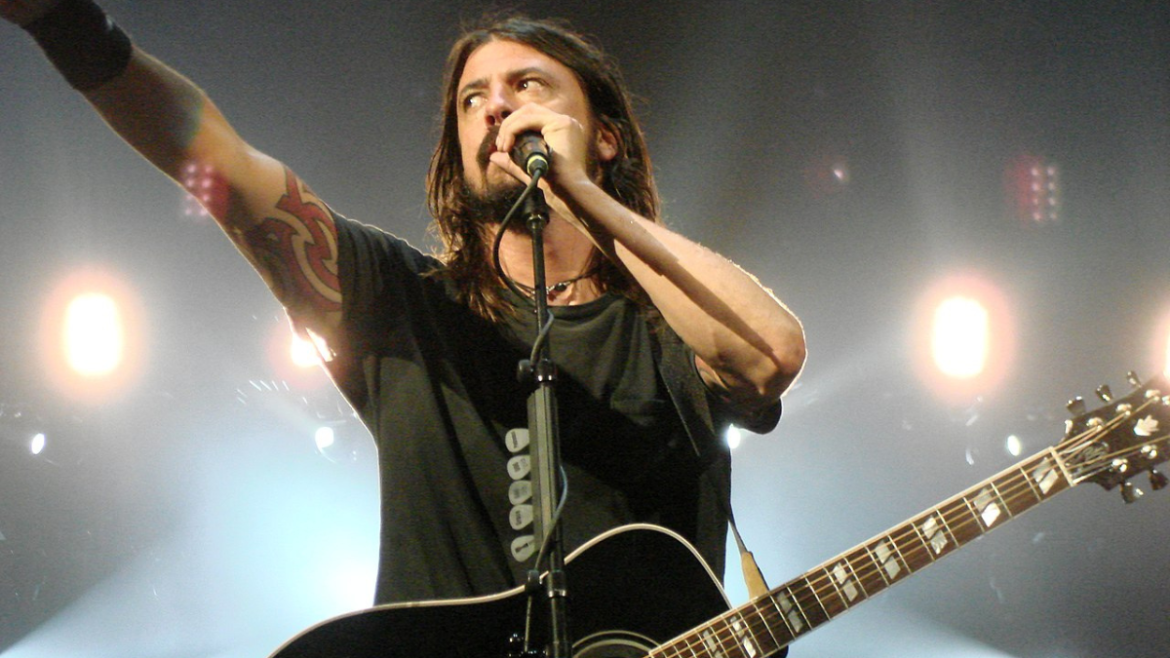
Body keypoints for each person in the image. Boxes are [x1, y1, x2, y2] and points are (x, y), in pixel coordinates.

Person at [3, 0, 806, 607]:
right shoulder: (401, 302)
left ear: (605, 136)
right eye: (471, 99)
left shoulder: (671, 326)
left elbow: (771, 353)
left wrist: (581, 195)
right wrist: (67, 24)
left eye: (528, 85)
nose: (496, 107)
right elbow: (223, 167)